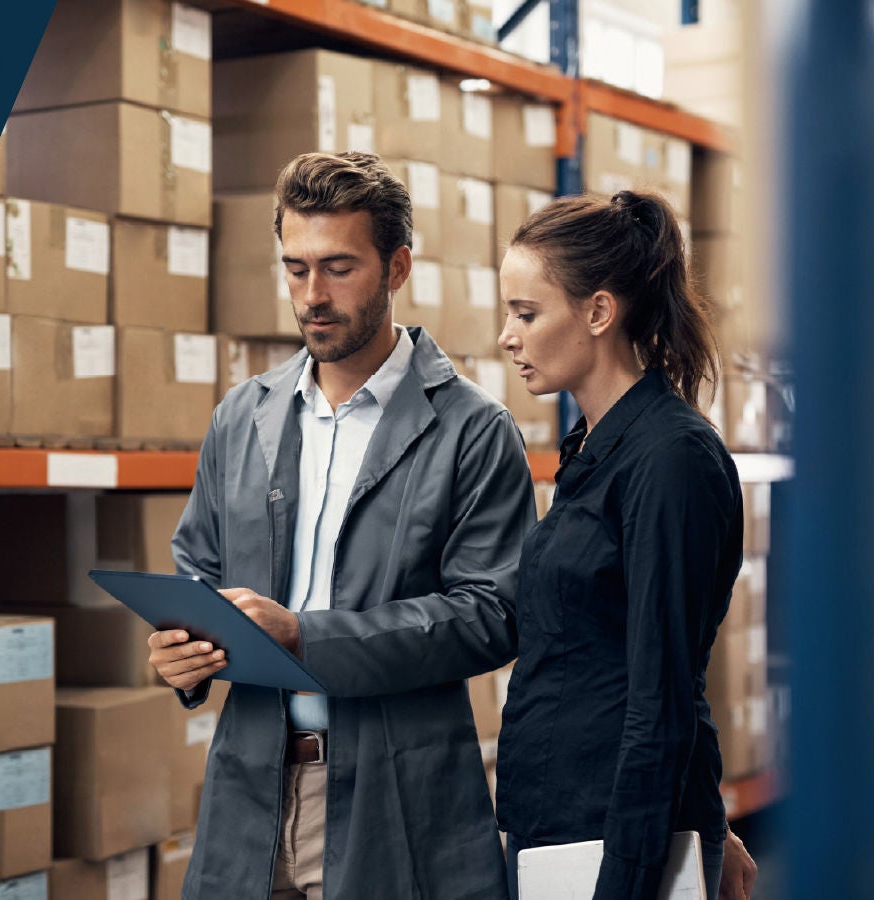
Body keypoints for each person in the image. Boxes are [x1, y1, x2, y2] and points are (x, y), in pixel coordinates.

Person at [146, 150, 536, 899]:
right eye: (295, 269)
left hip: (395, 790)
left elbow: (496, 614)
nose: (312, 296)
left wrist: (306, 636)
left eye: (338, 268)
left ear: (397, 268)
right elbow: (196, 569)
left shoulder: (473, 430)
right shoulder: (242, 416)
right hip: (252, 780)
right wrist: (181, 656)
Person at [493, 190, 759, 900]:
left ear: (599, 312)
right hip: (559, 831)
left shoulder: (670, 460)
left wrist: (630, 881)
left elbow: (663, 695)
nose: (507, 337)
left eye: (526, 314)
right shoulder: (593, 450)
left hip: (612, 851)